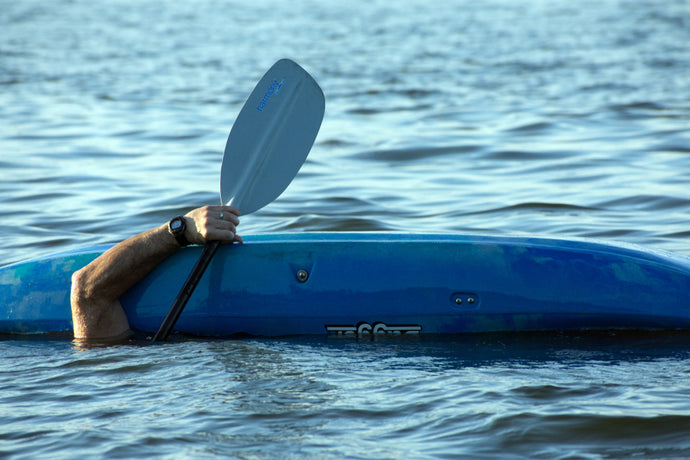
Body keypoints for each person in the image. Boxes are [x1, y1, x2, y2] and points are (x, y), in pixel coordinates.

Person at [70, 205, 242, 341]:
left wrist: (181, 230)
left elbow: (87, 291)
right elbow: (86, 289)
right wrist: (180, 229)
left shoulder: (106, 369)